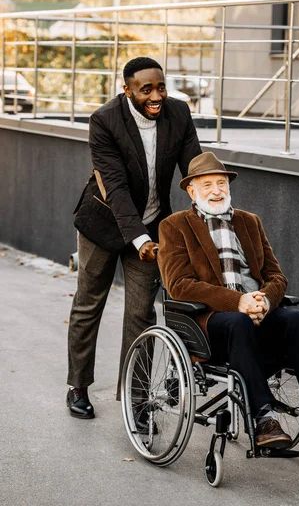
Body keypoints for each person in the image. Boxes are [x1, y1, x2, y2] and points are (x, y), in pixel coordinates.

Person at [158, 152, 299, 449]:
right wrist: (238, 302)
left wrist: (264, 301)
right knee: (239, 321)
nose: (216, 191)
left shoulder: (249, 222)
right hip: (212, 319)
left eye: (221, 183)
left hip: (258, 311)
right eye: (207, 185)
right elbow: (178, 284)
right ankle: (264, 417)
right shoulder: (175, 226)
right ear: (192, 191)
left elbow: (276, 275)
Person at [67, 57, 201, 419]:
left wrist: (210, 201)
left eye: (161, 87)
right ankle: (78, 386)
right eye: (146, 90)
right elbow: (116, 187)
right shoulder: (104, 120)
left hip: (155, 221)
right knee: (88, 303)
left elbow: (195, 168)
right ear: (127, 90)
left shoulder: (179, 113)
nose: (156, 95)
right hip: (104, 224)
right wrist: (139, 239)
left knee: (141, 312)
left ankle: (136, 398)